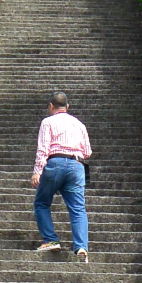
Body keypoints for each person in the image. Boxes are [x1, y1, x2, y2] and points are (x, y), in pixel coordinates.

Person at [30, 91, 92, 262]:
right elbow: (87, 152)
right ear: (67, 107)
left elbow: (43, 149)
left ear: (51, 106)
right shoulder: (79, 124)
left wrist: (37, 171)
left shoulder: (48, 122)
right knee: (78, 208)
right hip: (77, 165)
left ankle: (50, 239)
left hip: (55, 163)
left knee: (42, 202)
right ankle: (81, 248)